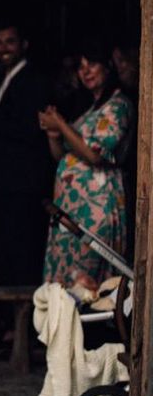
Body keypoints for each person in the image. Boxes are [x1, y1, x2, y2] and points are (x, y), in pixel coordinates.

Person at [0, 24, 51, 345]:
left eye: (11, 42)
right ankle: (8, 329)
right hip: (4, 180)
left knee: (23, 256)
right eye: (0, 41)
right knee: (5, 252)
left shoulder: (33, 80)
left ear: (24, 44)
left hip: (24, 183)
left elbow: (29, 128)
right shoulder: (3, 76)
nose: (4, 47)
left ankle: (24, 334)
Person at [39, 42, 132, 289]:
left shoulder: (118, 105)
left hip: (96, 206)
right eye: (80, 67)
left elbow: (94, 156)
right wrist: (53, 134)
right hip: (71, 207)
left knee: (88, 279)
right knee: (66, 277)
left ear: (107, 67)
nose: (86, 71)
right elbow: (62, 158)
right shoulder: (89, 110)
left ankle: (91, 328)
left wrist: (60, 124)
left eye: (92, 64)